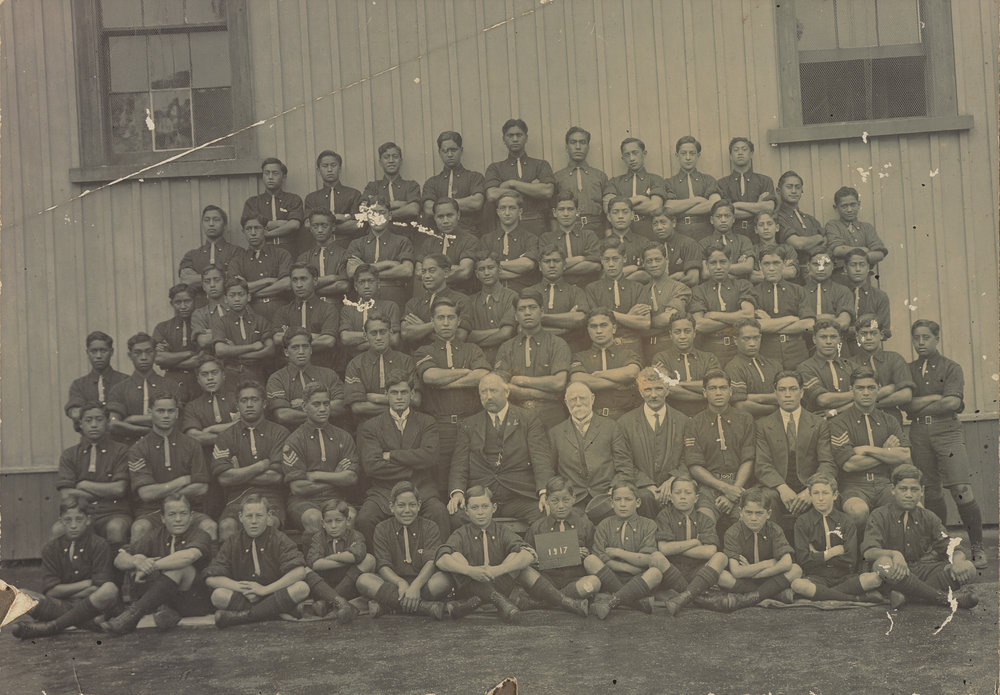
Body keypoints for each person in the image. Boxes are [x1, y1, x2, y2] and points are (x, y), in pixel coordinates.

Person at [435, 486, 587, 623]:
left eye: (484, 506)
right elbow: (441, 559)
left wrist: (498, 569)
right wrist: (470, 571)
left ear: (493, 508)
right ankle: (503, 604)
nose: (480, 512)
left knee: (519, 560)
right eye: (474, 508)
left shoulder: (502, 531)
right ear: (467, 511)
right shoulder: (461, 533)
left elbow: (529, 554)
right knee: (455, 557)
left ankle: (566, 602)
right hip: (471, 586)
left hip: (499, 581)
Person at [906, 319, 987, 568]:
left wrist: (920, 403)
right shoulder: (908, 369)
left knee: (961, 487)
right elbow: (904, 405)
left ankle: (977, 546)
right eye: (916, 338)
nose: (921, 343)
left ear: (936, 339)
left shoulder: (951, 367)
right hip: (919, 432)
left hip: (947, 429)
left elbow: (952, 403)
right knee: (930, 489)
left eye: (926, 337)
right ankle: (939, 547)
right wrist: (934, 398)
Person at [204, 494, 342, 628]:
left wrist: (264, 590)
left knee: (301, 588)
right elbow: (211, 578)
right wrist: (244, 588)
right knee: (218, 596)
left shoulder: (279, 538)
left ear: (269, 516)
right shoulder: (233, 541)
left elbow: (299, 571)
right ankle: (275, 612)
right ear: (241, 517)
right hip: (248, 596)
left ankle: (245, 617)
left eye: (259, 516)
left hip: (275, 592)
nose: (253, 521)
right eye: (249, 516)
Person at [862, 464, 979, 609]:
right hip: (893, 575)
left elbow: (952, 547)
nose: (909, 494)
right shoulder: (879, 515)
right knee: (883, 563)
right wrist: (894, 554)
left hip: (921, 570)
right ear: (893, 489)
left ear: (922, 492)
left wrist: (958, 561)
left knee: (969, 568)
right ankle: (943, 598)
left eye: (914, 489)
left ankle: (906, 596)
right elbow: (869, 552)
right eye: (903, 489)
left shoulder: (928, 517)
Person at [357, 482, 479, 619]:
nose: (407, 510)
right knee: (364, 580)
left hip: (423, 584)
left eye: (412, 505)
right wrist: (400, 582)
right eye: (401, 505)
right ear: (391, 507)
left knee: (445, 580)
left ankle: (390, 606)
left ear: (419, 505)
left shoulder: (430, 527)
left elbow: (431, 562)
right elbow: (383, 565)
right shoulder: (382, 528)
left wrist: (416, 585)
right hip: (393, 584)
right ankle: (424, 607)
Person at [447, 373, 554, 526]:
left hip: (518, 496)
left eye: (493, 390)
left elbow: (541, 460)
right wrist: (457, 493)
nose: (488, 396)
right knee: (456, 514)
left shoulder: (528, 419)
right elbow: (459, 464)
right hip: (482, 499)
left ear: (507, 393)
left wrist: (544, 493)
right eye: (483, 392)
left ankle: (524, 549)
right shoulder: (469, 424)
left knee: (544, 513)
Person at [355, 372, 451, 541]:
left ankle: (440, 561)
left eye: (404, 392)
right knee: (365, 518)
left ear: (412, 394)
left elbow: (430, 457)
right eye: (394, 392)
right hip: (384, 490)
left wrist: (390, 455)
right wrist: (411, 467)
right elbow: (371, 465)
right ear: (386, 395)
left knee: (439, 512)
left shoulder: (426, 422)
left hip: (421, 487)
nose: (399, 397)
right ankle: (374, 565)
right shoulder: (371, 426)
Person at [100, 494, 214, 634]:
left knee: (179, 568)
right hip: (167, 597)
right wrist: (138, 562)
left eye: (183, 514)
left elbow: (189, 557)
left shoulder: (200, 534)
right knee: (139, 557)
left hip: (195, 600)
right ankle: (168, 612)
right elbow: (119, 559)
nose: (178, 519)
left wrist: (151, 565)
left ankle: (131, 617)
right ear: (163, 518)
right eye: (172, 514)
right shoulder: (155, 535)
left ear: (191, 516)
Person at [10, 499, 120, 639]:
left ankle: (50, 627)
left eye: (79, 519)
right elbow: (51, 591)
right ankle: (89, 624)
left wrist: (65, 590)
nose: (73, 525)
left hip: (92, 604)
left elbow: (98, 588)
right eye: (68, 520)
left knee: (109, 589)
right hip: (62, 604)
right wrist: (87, 583)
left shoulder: (99, 544)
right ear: (61, 521)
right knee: (21, 595)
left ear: (88, 520)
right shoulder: (51, 548)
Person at [413, 299, 491, 485]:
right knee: (441, 477)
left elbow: (482, 375)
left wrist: (446, 383)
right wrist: (465, 372)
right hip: (441, 426)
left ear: (458, 321)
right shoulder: (424, 350)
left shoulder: (472, 349)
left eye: (450, 317)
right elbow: (431, 377)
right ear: (432, 321)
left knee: (472, 475)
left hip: (470, 424)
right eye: (440, 318)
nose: (446, 323)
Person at [754, 371, 836, 539]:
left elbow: (827, 462)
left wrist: (811, 489)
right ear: (775, 393)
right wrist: (782, 488)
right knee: (766, 498)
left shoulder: (818, 423)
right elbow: (762, 464)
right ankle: (776, 549)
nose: (788, 395)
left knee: (822, 496)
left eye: (793, 389)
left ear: (802, 392)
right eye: (782, 390)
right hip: (777, 487)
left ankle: (817, 552)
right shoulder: (763, 424)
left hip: (809, 484)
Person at [830, 366, 911, 532]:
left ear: (878, 389)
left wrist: (869, 449)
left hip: (885, 483)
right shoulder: (839, 422)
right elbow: (849, 464)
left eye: (871, 388)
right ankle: (860, 555)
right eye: (860, 388)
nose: (866, 393)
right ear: (851, 390)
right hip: (854, 486)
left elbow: (904, 454)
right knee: (858, 511)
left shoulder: (889, 420)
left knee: (913, 505)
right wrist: (887, 452)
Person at [128, 391, 215, 543]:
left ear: (177, 413)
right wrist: (182, 480)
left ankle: (212, 567)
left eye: (171, 411)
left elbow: (201, 488)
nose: (166, 415)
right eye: (160, 411)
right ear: (150, 413)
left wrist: (163, 492)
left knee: (209, 526)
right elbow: (146, 493)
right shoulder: (139, 448)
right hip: (152, 512)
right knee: (139, 528)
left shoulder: (192, 444)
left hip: (188, 510)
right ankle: (137, 566)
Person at [699, 487, 802, 612]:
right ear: (740, 512)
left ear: (768, 514)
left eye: (759, 513)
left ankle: (747, 599)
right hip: (745, 581)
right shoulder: (732, 533)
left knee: (796, 570)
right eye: (748, 512)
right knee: (721, 576)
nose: (753, 518)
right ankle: (773, 594)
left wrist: (756, 572)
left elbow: (786, 562)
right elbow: (736, 571)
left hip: (769, 576)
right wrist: (767, 563)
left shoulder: (774, 529)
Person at [212, 381, 289, 541]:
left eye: (254, 400)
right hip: (237, 499)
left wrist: (238, 473)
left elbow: (276, 477)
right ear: (237, 405)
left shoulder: (279, 433)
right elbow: (224, 479)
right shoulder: (226, 436)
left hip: (270, 497)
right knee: (227, 526)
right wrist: (261, 465)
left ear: (264, 404)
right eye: (244, 400)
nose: (249, 405)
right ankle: (232, 566)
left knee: (268, 523)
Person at [789, 474, 884, 603]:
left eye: (825, 493)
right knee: (798, 584)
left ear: (834, 495)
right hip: (817, 577)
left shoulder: (846, 521)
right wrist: (831, 553)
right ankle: (854, 598)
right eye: (816, 493)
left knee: (874, 579)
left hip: (844, 577)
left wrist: (817, 555)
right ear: (810, 496)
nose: (820, 498)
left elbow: (850, 559)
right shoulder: (802, 522)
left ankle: (822, 595)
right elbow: (804, 560)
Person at [282, 383, 359, 538]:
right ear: (304, 407)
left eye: (326, 403)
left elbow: (351, 478)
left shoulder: (343, 436)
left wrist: (316, 475)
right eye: (316, 404)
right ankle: (317, 561)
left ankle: (345, 560)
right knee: (314, 518)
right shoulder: (294, 440)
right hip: (303, 502)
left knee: (349, 516)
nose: (323, 409)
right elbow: (298, 487)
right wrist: (335, 477)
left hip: (335, 498)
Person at [548, 382, 633, 517]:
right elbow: (550, 471)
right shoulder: (555, 433)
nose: (578, 403)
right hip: (573, 501)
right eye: (572, 399)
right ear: (565, 402)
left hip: (606, 497)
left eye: (582, 398)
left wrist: (614, 489)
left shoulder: (611, 427)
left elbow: (625, 467)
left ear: (592, 399)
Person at [55, 402, 131, 548]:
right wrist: (104, 491)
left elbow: (119, 489)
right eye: (88, 421)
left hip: (114, 512)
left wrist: (84, 485)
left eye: (99, 419)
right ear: (80, 424)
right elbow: (66, 494)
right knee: (58, 530)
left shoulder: (121, 451)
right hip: (79, 513)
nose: (94, 425)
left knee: (115, 528)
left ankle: (114, 570)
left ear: (107, 422)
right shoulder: (69, 455)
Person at [589, 477, 667, 619]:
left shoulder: (649, 525)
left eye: (628, 499)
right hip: (611, 577)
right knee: (590, 560)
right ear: (612, 503)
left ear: (637, 502)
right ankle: (634, 601)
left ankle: (611, 601)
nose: (622, 504)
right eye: (618, 500)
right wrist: (629, 567)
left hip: (638, 579)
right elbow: (600, 556)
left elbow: (646, 559)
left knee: (656, 573)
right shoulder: (604, 525)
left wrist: (618, 552)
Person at [616, 367, 690, 516]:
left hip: (674, 485)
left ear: (667, 389)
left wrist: (673, 480)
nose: (654, 395)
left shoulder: (683, 421)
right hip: (641, 488)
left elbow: (688, 457)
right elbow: (623, 461)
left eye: (659, 389)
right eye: (648, 390)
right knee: (643, 498)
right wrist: (647, 485)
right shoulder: (625, 422)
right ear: (640, 391)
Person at [683, 370, 754, 523]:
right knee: (704, 523)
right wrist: (724, 488)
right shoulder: (694, 423)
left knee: (746, 524)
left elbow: (748, 459)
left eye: (723, 388)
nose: (718, 393)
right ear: (704, 392)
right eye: (712, 388)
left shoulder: (745, 419)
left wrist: (734, 490)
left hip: (740, 484)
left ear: (730, 391)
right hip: (709, 486)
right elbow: (694, 466)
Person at [494, 289, 572, 428]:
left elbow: (559, 383)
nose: (528, 313)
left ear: (542, 311)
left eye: (532, 307)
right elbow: (501, 387)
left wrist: (523, 381)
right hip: (517, 417)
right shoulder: (507, 348)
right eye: (522, 309)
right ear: (516, 316)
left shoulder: (557, 343)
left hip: (551, 417)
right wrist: (546, 394)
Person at [655, 476, 731, 616]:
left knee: (721, 558)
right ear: (671, 497)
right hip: (673, 570)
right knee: (656, 557)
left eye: (687, 493)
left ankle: (684, 597)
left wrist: (676, 548)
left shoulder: (704, 519)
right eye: (678, 493)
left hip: (698, 572)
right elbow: (664, 549)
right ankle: (700, 597)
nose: (682, 497)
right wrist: (695, 542)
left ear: (696, 498)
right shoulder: (664, 516)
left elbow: (710, 551)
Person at [522, 476, 605, 603]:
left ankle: (547, 602)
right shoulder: (537, 527)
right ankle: (566, 601)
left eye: (566, 500)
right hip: (547, 580)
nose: (561, 506)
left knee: (594, 583)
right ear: (547, 501)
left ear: (573, 499)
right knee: (526, 573)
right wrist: (538, 559)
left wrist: (585, 553)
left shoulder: (584, 525)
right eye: (555, 501)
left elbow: (595, 554)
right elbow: (528, 556)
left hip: (575, 579)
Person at [305, 499, 375, 622]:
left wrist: (331, 557)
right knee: (304, 570)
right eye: (329, 521)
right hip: (325, 587)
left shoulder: (355, 535)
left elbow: (357, 555)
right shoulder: (318, 537)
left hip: (349, 585)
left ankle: (329, 604)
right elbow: (315, 563)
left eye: (338, 521)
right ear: (322, 523)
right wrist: (345, 558)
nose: (333, 526)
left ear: (347, 521)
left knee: (369, 559)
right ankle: (340, 603)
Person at [484, 119, 556, 237]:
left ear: (526, 137)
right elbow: (492, 194)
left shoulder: (540, 165)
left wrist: (510, 184)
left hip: (536, 224)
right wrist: (532, 187)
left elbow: (547, 191)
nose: (515, 139)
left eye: (519, 135)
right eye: (510, 135)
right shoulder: (495, 168)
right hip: (507, 225)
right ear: (504, 139)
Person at [568, 309, 642, 420]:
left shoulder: (627, 354)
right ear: (588, 330)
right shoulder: (580, 357)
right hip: (592, 418)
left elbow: (631, 373)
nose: (598, 331)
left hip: (624, 417)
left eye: (603, 325)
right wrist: (615, 384)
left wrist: (597, 375)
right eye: (593, 326)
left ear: (614, 328)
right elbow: (578, 380)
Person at [107, 333, 177, 446]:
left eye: (148, 352)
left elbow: (175, 422)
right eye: (137, 353)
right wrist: (153, 431)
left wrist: (131, 419)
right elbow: (114, 424)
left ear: (155, 354)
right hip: (130, 447)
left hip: (165, 446)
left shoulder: (170, 386)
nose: (143, 357)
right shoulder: (119, 389)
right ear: (130, 356)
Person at [689, 245, 756, 365]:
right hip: (710, 349)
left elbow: (748, 314)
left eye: (723, 262)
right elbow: (699, 325)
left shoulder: (742, 285)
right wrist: (736, 319)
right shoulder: (698, 290)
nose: (718, 267)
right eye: (713, 263)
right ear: (707, 265)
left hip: (739, 349)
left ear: (730, 263)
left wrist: (714, 315)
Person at [345, 196, 416, 308]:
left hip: (393, 294)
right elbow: (351, 272)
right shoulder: (357, 243)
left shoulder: (402, 241)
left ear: (390, 215)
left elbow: (406, 270)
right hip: (365, 297)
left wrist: (366, 273)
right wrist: (387, 264)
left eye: (382, 212)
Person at [345, 315, 418, 422]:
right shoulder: (356, 364)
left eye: (383, 332)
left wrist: (378, 398)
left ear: (391, 332)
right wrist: (398, 405)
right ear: (365, 336)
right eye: (373, 333)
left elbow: (415, 400)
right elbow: (357, 407)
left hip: (402, 424)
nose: (378, 338)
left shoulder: (406, 361)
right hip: (369, 426)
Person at [751, 246, 812, 370]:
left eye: (776, 263)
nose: (771, 268)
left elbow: (809, 324)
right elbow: (756, 326)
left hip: (797, 352)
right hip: (767, 353)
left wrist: (770, 324)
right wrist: (791, 319)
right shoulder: (753, 293)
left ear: (784, 264)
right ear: (759, 265)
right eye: (766, 264)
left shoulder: (798, 290)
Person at [585, 237, 651, 351]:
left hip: (632, 346)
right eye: (606, 259)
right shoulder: (592, 289)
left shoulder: (638, 288)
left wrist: (610, 314)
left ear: (624, 258)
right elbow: (598, 323)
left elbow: (645, 323)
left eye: (615, 259)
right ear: (601, 260)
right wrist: (630, 316)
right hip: (605, 348)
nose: (611, 264)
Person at [271, 262, 339, 369]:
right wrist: (316, 336)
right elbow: (277, 338)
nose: (299, 285)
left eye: (303, 279)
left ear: (315, 281)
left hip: (321, 366)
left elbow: (328, 341)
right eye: (295, 280)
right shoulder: (283, 311)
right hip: (290, 369)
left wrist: (292, 340)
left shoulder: (328, 309)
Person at [210, 276, 276, 386]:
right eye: (232, 295)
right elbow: (220, 350)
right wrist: (253, 347)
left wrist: (234, 351)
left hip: (257, 373)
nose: (237, 299)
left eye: (241, 294)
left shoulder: (260, 321)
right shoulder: (221, 322)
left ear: (248, 297)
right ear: (226, 299)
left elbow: (270, 350)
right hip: (231, 374)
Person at [651, 315, 721, 416]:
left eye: (687, 331)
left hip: (705, 414)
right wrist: (706, 396)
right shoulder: (661, 358)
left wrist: (679, 384)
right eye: (677, 332)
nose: (682, 336)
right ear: (671, 335)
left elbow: (713, 384)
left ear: (694, 333)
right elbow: (669, 389)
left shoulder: (709, 358)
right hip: (674, 416)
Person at [849, 313, 913, 425]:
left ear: (881, 335)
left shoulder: (894, 359)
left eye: (873, 333)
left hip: (890, 420)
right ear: (857, 336)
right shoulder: (850, 363)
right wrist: (889, 390)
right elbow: (850, 396)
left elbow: (906, 395)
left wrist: (867, 402)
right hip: (859, 422)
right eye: (864, 334)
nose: (868, 338)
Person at [229, 214, 293, 321]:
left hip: (281, 311)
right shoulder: (237, 261)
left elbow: (286, 283)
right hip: (252, 314)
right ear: (243, 232)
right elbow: (237, 289)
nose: (253, 233)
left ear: (265, 229)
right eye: (248, 229)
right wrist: (268, 281)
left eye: (257, 228)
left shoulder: (281, 254)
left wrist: (251, 293)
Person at [602, 137, 668, 240]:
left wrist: (621, 207)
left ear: (644, 154)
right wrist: (641, 199)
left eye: (635, 153)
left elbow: (656, 207)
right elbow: (608, 208)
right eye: (627, 155)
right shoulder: (614, 182)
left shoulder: (655, 179)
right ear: (623, 158)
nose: (632, 158)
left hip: (649, 232)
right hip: (621, 235)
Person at [421, 132, 486, 235]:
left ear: (461, 150)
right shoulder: (432, 182)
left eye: (453, 150)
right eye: (445, 151)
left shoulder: (474, 177)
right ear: (440, 152)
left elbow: (476, 203)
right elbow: (428, 208)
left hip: (469, 234)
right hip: (440, 236)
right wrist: (463, 202)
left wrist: (441, 206)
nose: (450, 154)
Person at [530, 243, 591, 352]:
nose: (552, 265)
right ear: (539, 266)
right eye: (547, 261)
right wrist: (567, 326)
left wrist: (542, 318)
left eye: (556, 261)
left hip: (569, 348)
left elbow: (579, 319)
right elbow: (523, 327)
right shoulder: (530, 292)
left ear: (564, 265)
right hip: (536, 349)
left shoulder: (576, 291)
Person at [637, 241, 691, 362]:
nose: (654, 264)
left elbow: (669, 318)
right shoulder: (640, 290)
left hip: (669, 348)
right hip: (644, 349)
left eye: (658, 260)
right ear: (644, 264)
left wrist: (644, 323)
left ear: (666, 261)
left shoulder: (679, 288)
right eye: (649, 261)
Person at [414, 198, 482, 293]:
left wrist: (431, 271)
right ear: (434, 218)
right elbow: (418, 272)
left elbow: (464, 272)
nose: (445, 221)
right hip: (433, 297)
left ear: (458, 215)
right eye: (440, 217)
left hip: (461, 296)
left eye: (450, 215)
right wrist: (453, 269)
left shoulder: (470, 241)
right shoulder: (429, 243)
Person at [402, 253, 471, 348]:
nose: (426, 276)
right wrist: (438, 328)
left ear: (446, 273)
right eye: (423, 271)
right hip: (419, 358)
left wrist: (423, 327)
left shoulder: (461, 300)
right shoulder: (413, 303)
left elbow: (459, 337)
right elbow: (406, 333)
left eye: (431, 271)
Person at [715, 137, 776, 243]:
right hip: (733, 233)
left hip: (758, 233)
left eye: (744, 149)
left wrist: (736, 205)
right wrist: (757, 207)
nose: (740, 153)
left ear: (751, 154)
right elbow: (725, 213)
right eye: (736, 150)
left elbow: (769, 208)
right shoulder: (722, 183)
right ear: (730, 156)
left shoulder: (764, 180)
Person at [479, 190, 540, 292]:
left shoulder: (530, 238)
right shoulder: (487, 240)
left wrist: (495, 265)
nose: (507, 213)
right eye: (503, 208)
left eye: (512, 208)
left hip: (523, 294)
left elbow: (528, 265)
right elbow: (486, 271)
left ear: (520, 211)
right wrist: (520, 272)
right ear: (498, 212)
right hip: (495, 294)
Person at [554, 126, 610, 236]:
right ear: (567, 147)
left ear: (588, 147)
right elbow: (552, 212)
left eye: (582, 142)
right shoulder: (557, 177)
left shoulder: (600, 176)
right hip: (568, 229)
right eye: (573, 142)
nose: (578, 147)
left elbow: (607, 210)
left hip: (596, 229)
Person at [339, 264, 402, 359]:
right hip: (355, 361)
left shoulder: (390, 306)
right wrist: (379, 338)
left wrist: (359, 345)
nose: (367, 286)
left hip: (385, 359)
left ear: (378, 284)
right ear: (355, 286)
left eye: (371, 281)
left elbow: (393, 339)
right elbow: (345, 338)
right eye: (362, 282)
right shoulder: (348, 309)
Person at [663, 135, 721, 241]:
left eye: (692, 153)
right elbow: (669, 209)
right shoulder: (669, 182)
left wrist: (680, 208)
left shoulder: (708, 180)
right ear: (677, 155)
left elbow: (715, 205)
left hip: (705, 231)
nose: (688, 157)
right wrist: (698, 200)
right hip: (679, 232)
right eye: (683, 153)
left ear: (698, 155)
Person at [241, 157, 304, 252]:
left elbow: (294, 225)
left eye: (275, 173)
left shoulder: (293, 199)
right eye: (266, 173)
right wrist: (282, 223)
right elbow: (253, 226)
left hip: (288, 249)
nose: (270, 177)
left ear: (283, 177)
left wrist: (267, 234)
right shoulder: (252, 202)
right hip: (262, 250)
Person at [466, 252, 519, 363]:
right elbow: (467, 336)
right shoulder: (470, 301)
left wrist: (476, 338)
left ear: (499, 269)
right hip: (477, 359)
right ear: (476, 274)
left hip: (508, 358)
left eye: (490, 268)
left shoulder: (512, 296)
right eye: (481, 269)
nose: (486, 273)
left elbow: (506, 333)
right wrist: (497, 331)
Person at [178, 205, 240, 299]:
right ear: (202, 223)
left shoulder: (236, 251)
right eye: (207, 220)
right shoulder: (191, 256)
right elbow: (187, 280)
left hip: (229, 306)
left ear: (225, 225)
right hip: (201, 308)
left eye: (216, 220)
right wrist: (223, 277)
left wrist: (200, 279)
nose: (211, 224)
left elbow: (237, 280)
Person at [724, 318, 782, 419]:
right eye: (746, 339)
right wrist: (775, 407)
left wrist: (754, 398)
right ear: (736, 340)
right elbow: (740, 406)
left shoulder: (774, 365)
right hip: (750, 423)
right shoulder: (733, 367)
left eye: (756, 338)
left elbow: (785, 396)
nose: (752, 343)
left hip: (777, 423)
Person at [65, 331, 128, 422]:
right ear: (87, 353)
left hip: (120, 434)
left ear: (111, 352)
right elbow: (75, 412)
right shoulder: (79, 385)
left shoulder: (124, 381)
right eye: (94, 351)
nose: (98, 356)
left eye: (103, 351)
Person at [824, 186, 888, 277]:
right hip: (840, 276)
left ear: (859, 204)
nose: (849, 210)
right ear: (836, 208)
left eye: (853, 205)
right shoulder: (833, 225)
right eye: (844, 206)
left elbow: (880, 253)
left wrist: (858, 259)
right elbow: (838, 250)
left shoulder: (867, 227)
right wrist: (865, 250)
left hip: (863, 277)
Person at [152, 284, 201, 402]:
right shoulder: (162, 327)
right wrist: (189, 353)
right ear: (172, 304)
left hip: (198, 381)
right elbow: (159, 358)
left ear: (195, 301)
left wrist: (169, 362)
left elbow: (199, 360)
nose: (183, 306)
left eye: (187, 301)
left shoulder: (202, 324)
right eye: (178, 302)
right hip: (172, 382)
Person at [774, 171, 826, 280]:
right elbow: (798, 244)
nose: (794, 191)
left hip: (816, 274)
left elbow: (825, 245)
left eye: (797, 187)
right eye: (789, 187)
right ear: (779, 191)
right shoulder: (777, 218)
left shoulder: (810, 219)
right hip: (793, 276)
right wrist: (819, 237)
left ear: (802, 191)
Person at [797, 319, 854, 415]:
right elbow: (823, 400)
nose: (828, 342)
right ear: (814, 339)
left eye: (833, 337)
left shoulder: (850, 365)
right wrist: (857, 394)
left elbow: (870, 397)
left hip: (851, 420)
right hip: (820, 423)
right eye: (823, 337)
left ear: (839, 339)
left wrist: (835, 411)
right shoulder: (805, 368)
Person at [303, 150, 362, 241]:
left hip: (347, 245)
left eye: (333, 165)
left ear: (340, 168)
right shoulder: (311, 198)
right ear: (318, 170)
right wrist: (340, 219)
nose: (330, 170)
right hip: (320, 246)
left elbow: (357, 224)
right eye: (325, 166)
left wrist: (322, 227)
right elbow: (308, 225)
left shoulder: (353, 194)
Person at [840, 251, 891, 357]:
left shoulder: (880, 296)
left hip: (869, 353)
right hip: (842, 351)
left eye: (862, 265)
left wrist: (849, 331)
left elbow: (885, 331)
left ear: (868, 268)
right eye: (853, 265)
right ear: (845, 269)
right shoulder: (838, 294)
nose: (858, 269)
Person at [297, 209, 351, 304]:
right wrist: (332, 278)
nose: (320, 230)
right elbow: (300, 285)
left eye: (324, 226)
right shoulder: (304, 257)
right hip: (311, 308)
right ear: (310, 228)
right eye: (315, 226)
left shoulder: (344, 254)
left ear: (333, 227)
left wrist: (310, 288)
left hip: (336, 306)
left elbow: (343, 286)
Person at [363, 142, 422, 227]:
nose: (391, 161)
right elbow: (365, 210)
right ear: (380, 162)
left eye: (395, 157)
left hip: (406, 234)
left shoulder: (411, 185)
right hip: (380, 234)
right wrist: (400, 204)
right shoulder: (372, 187)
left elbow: (413, 209)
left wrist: (384, 212)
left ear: (400, 161)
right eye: (386, 157)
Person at [698, 200, 754, 278]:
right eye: (719, 216)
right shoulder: (704, 243)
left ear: (733, 219)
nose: (723, 220)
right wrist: (738, 271)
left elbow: (748, 267)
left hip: (738, 287)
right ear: (711, 220)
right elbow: (706, 274)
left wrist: (717, 270)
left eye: (727, 216)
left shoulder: (743, 241)